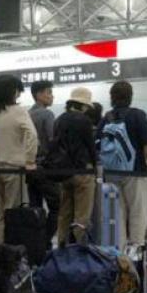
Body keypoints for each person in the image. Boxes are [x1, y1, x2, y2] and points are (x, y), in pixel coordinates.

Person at [98, 81, 147, 248]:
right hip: (134, 170)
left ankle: (119, 249)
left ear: (112, 97)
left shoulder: (106, 117)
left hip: (111, 170)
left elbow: (98, 143)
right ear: (130, 96)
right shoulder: (138, 115)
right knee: (137, 210)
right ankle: (136, 248)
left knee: (117, 212)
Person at [0, 74, 38, 245]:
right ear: (13, 91)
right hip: (14, 167)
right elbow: (32, 135)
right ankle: (11, 250)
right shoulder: (19, 111)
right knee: (12, 211)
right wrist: (30, 160)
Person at [50, 87, 97, 245]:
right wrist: (95, 167)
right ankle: (79, 248)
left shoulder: (59, 120)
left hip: (64, 173)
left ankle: (62, 246)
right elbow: (90, 147)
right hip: (83, 172)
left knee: (65, 213)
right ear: (83, 105)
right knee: (81, 215)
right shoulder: (84, 120)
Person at [27, 80, 60, 250]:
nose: (52, 96)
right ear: (38, 95)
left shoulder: (27, 114)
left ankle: (35, 244)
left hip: (29, 168)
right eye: (48, 92)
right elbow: (53, 140)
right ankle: (45, 240)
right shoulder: (47, 115)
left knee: (35, 208)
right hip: (46, 168)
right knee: (57, 206)